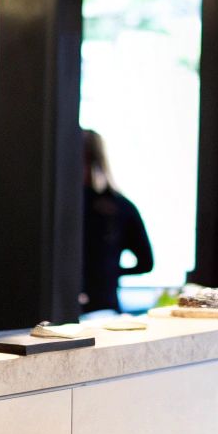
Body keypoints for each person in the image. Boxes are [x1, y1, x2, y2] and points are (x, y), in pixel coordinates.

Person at [80, 129, 153, 316]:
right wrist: (109, 272)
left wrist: (108, 272)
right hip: (104, 306)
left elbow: (146, 262)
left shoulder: (65, 206)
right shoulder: (121, 205)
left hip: (88, 310)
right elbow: (146, 263)